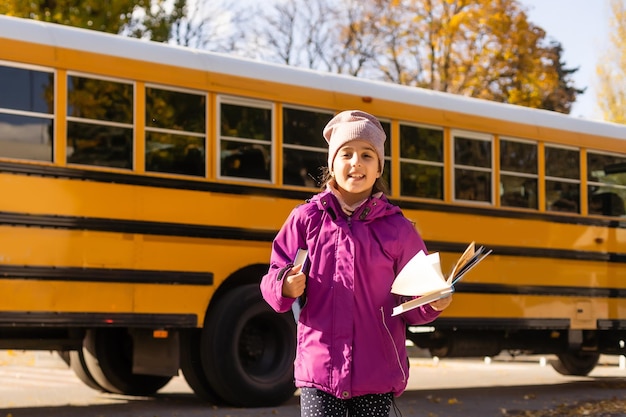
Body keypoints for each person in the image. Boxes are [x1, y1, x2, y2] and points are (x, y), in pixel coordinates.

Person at [260, 110, 452, 417]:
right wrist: (284, 284)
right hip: (319, 372)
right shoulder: (306, 219)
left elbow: (412, 303)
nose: (356, 162)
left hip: (377, 372)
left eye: (367, 155)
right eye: (346, 153)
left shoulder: (399, 229)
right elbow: (272, 277)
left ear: (378, 170)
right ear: (332, 165)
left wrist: (434, 303)